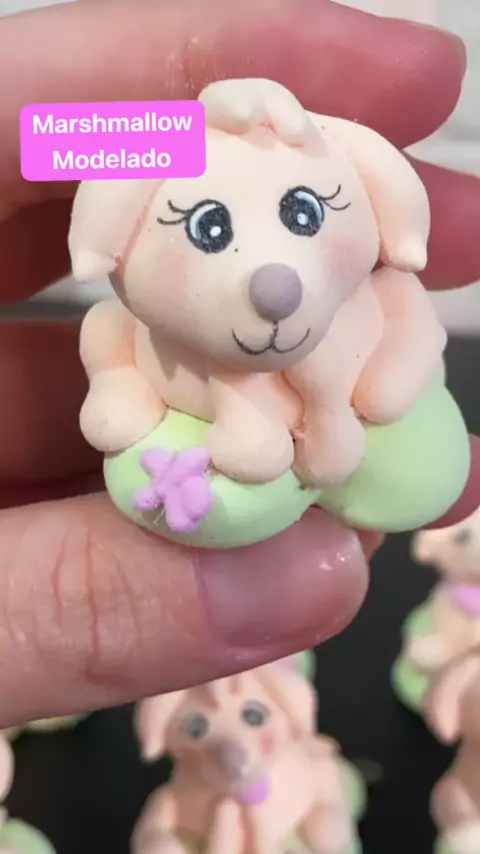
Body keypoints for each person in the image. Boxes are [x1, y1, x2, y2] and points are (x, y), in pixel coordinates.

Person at [0, 0, 478, 729]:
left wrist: (391, 381)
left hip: (352, 415)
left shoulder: (377, 302)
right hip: (196, 424)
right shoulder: (147, 316)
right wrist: (125, 385)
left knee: (415, 460)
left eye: (305, 214)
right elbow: (57, 161)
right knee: (163, 447)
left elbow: (409, 326)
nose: (271, 280)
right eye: (209, 227)